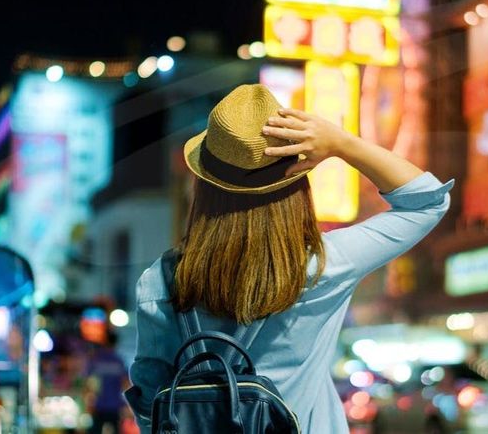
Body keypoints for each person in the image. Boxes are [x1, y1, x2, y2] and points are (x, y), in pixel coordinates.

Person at [125, 84, 453, 434]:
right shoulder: (324, 267)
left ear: (203, 186)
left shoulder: (162, 279)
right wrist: (342, 144)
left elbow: (150, 402)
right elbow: (428, 201)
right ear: (296, 180)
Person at [86, 332, 129, 434]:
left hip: (98, 404)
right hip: (115, 405)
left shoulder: (96, 360)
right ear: (115, 344)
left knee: (95, 431)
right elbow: (125, 384)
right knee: (115, 430)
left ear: (104, 342)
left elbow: (89, 383)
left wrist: (89, 402)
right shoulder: (119, 361)